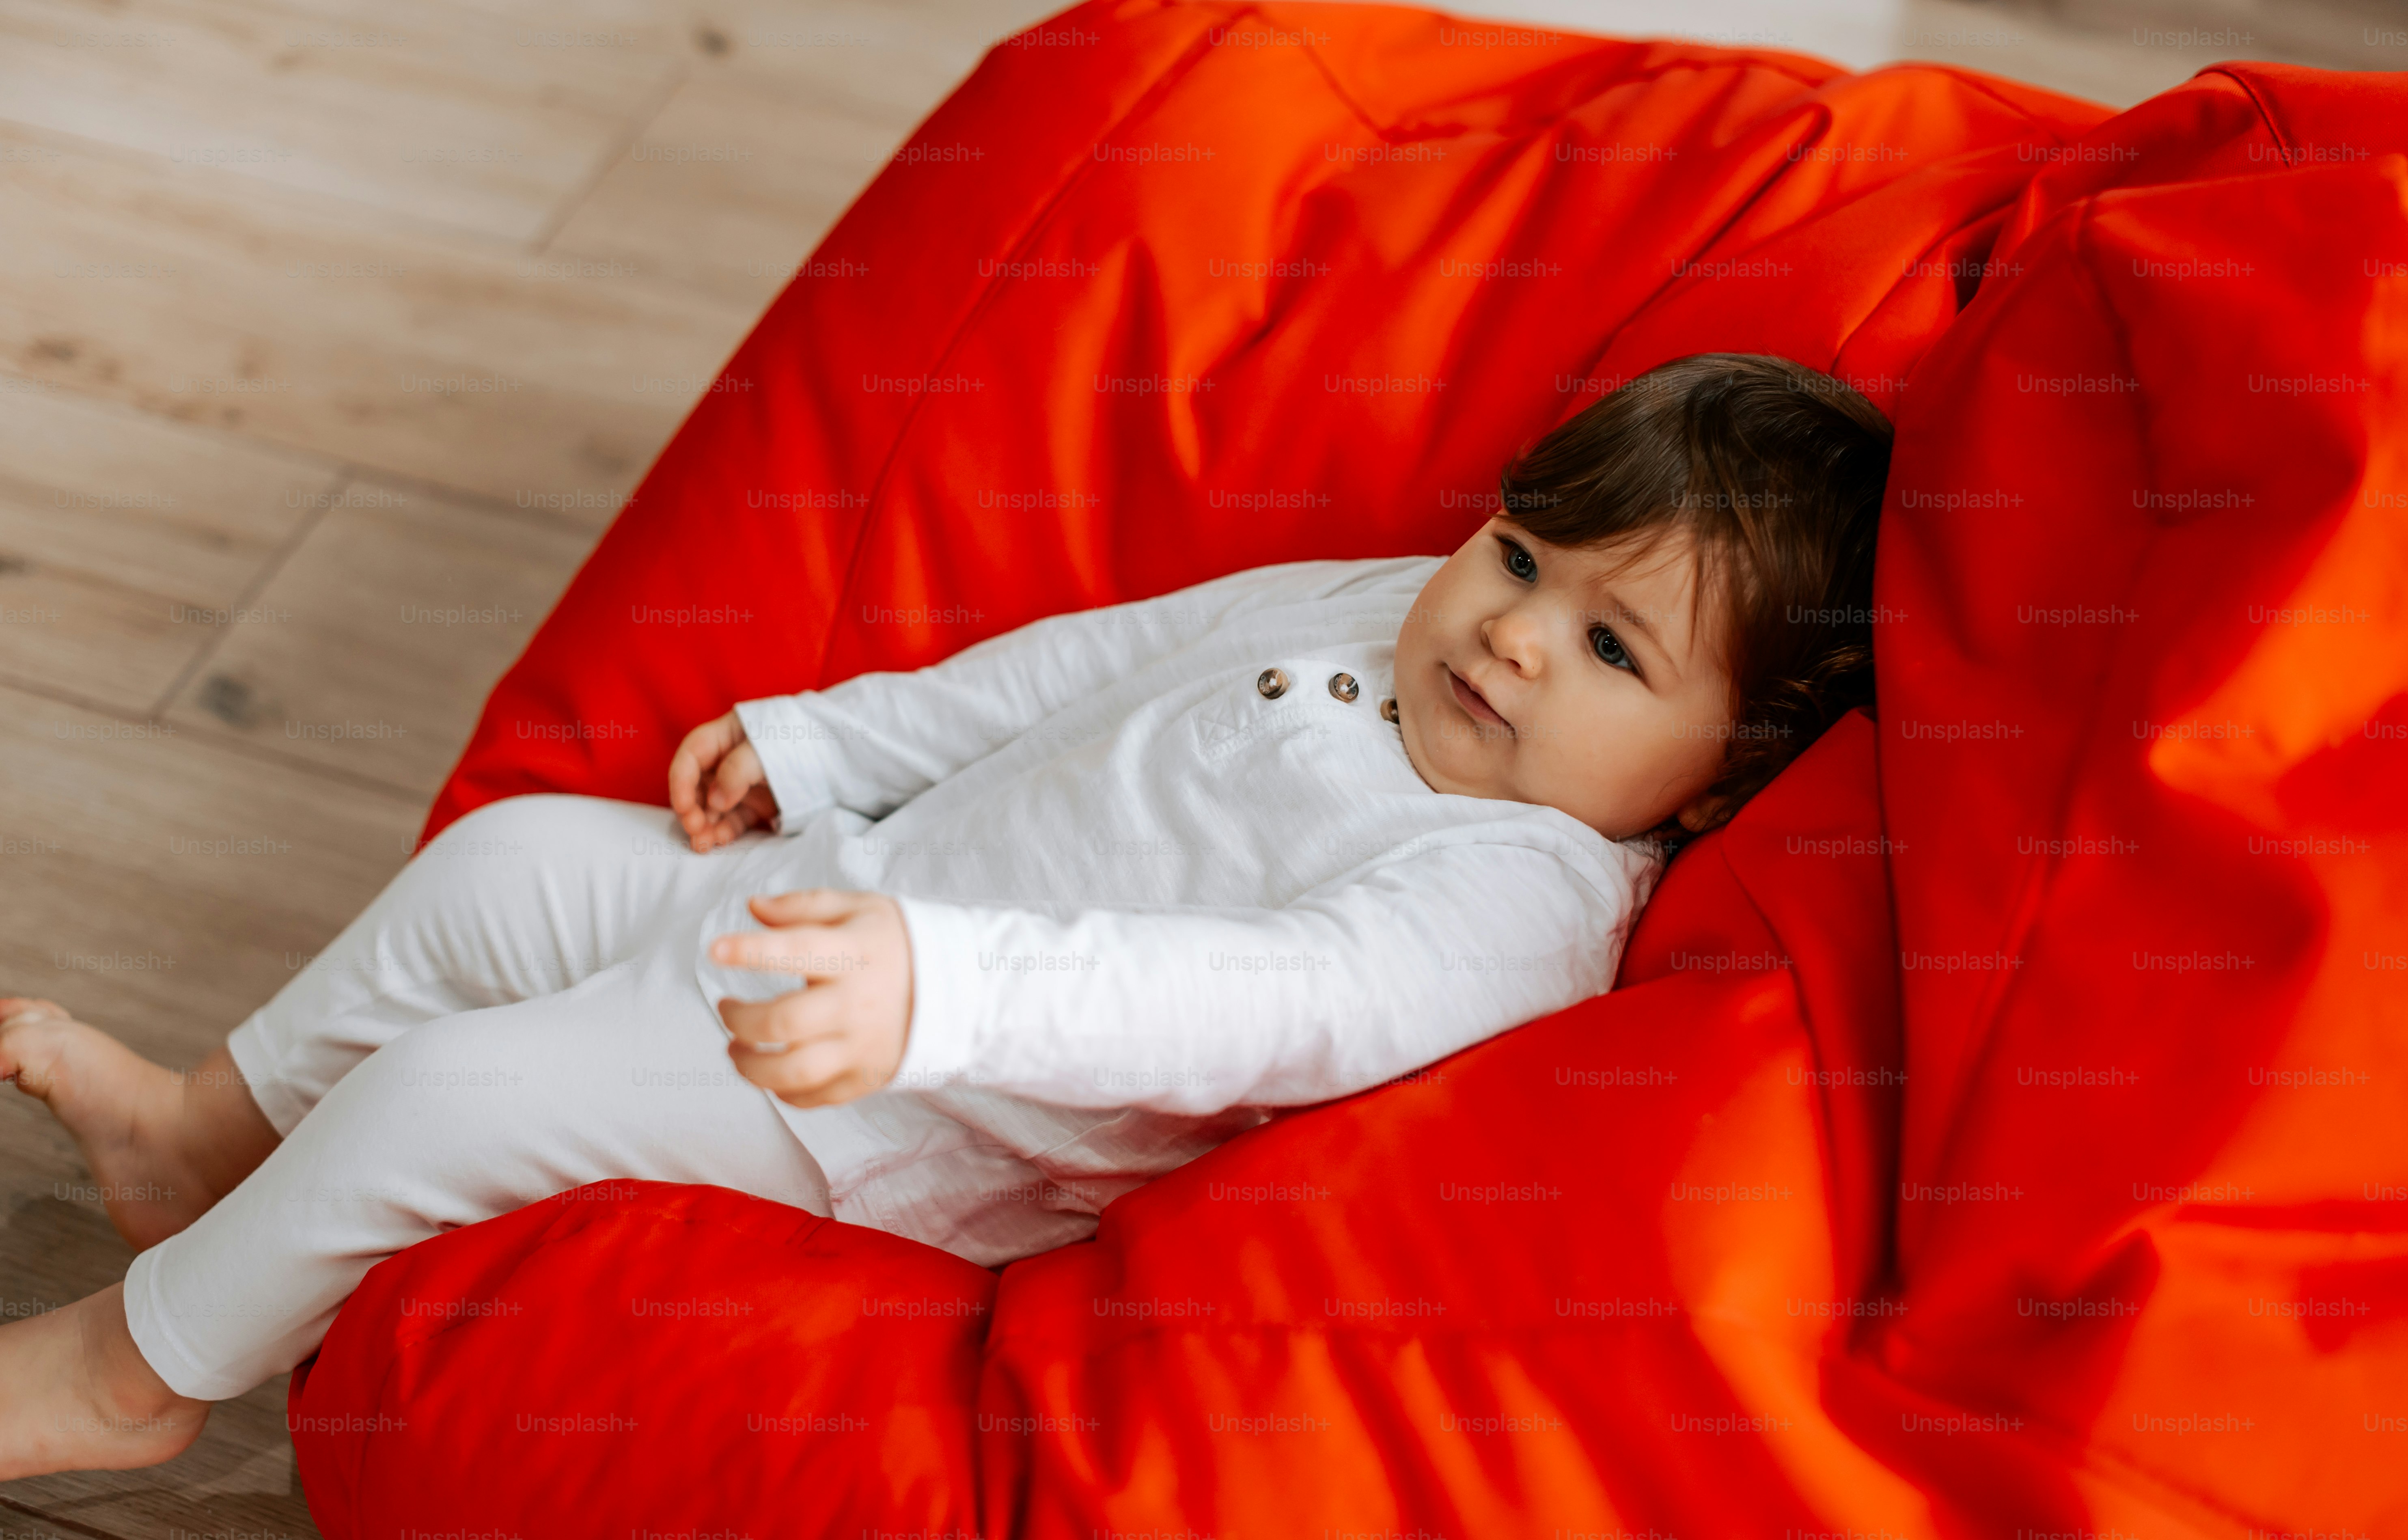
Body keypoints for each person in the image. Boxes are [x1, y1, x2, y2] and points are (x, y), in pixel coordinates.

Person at [0, 352, 1891, 1477]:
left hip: (884, 1107)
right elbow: (1108, 659)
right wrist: (836, 741)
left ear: (1715, 780)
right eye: (1521, 553)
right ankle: (201, 1140)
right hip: (834, 896)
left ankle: (134, 1371)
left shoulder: (1517, 895)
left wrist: (939, 998)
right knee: (497, 874)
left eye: (1610, 645)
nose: (1508, 627)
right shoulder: (1385, 604)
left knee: (451, 1097)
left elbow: (1255, 1003)